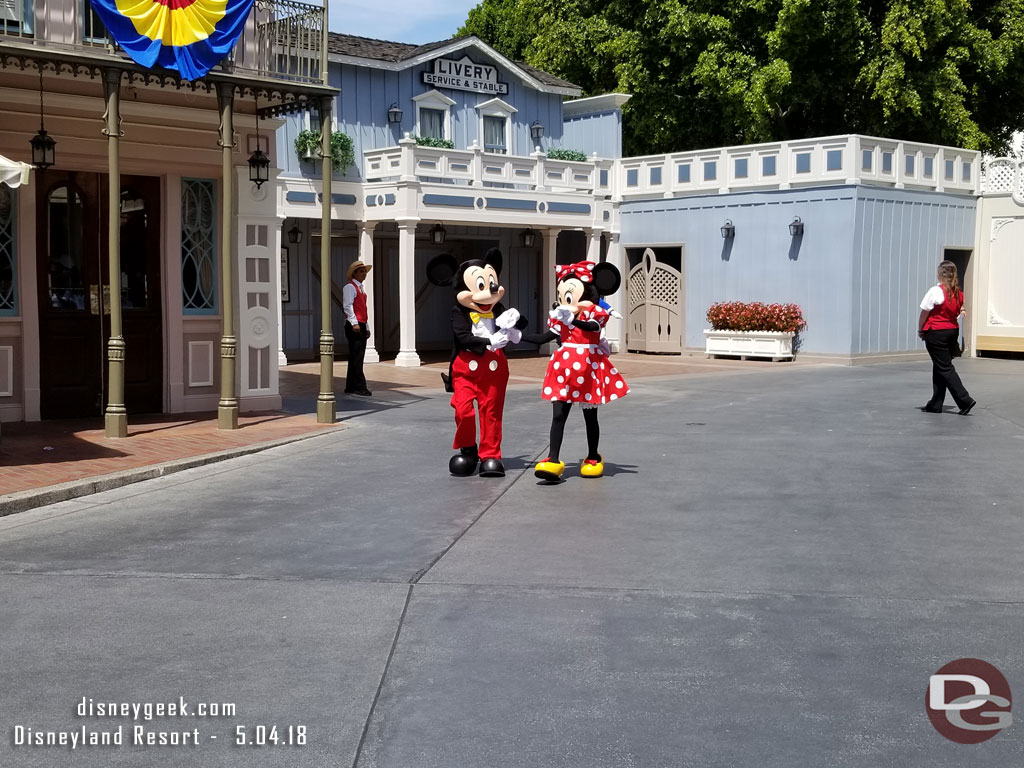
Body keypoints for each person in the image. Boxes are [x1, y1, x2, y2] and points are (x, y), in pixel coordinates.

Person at [522, 261, 629, 481]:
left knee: (590, 416)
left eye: (568, 296)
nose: (564, 301)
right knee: (558, 415)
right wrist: (518, 337)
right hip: (563, 371)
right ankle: (552, 459)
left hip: (588, 369)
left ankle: (592, 456)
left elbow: (592, 328)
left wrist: (574, 321)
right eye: (562, 295)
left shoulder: (595, 314)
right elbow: (545, 337)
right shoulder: (560, 319)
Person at [918, 260, 975, 415]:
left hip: (937, 332)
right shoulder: (958, 293)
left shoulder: (935, 291)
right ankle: (935, 403)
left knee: (944, 367)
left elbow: (925, 311)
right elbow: (956, 312)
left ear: (940, 274)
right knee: (940, 365)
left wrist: (921, 329)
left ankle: (965, 400)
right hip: (951, 331)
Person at [343, 260, 372, 396]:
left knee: (356, 356)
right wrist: (354, 323)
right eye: (361, 271)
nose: (364, 274)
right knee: (357, 356)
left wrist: (366, 326)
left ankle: (351, 386)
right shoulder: (350, 287)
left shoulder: (360, 288)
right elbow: (348, 306)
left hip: (360, 323)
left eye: (364, 271)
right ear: (354, 274)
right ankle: (360, 386)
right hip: (354, 324)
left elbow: (363, 309)